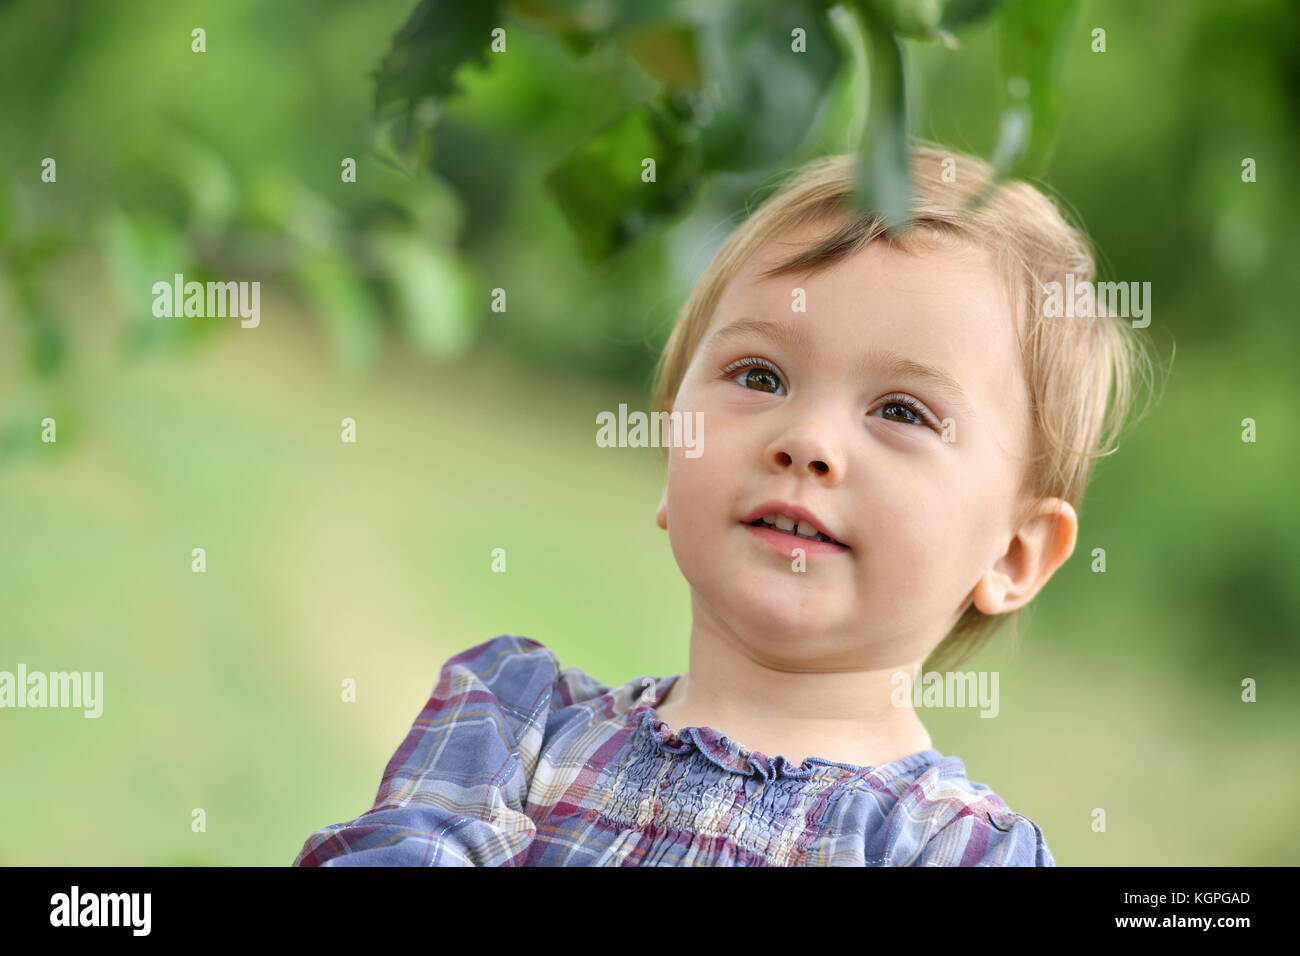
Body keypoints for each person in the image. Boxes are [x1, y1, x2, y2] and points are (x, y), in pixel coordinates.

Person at [293, 142, 1151, 866]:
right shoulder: (515, 726)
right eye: (759, 376)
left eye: (901, 412)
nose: (807, 439)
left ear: (1013, 555)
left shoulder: (947, 851)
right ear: (672, 455)